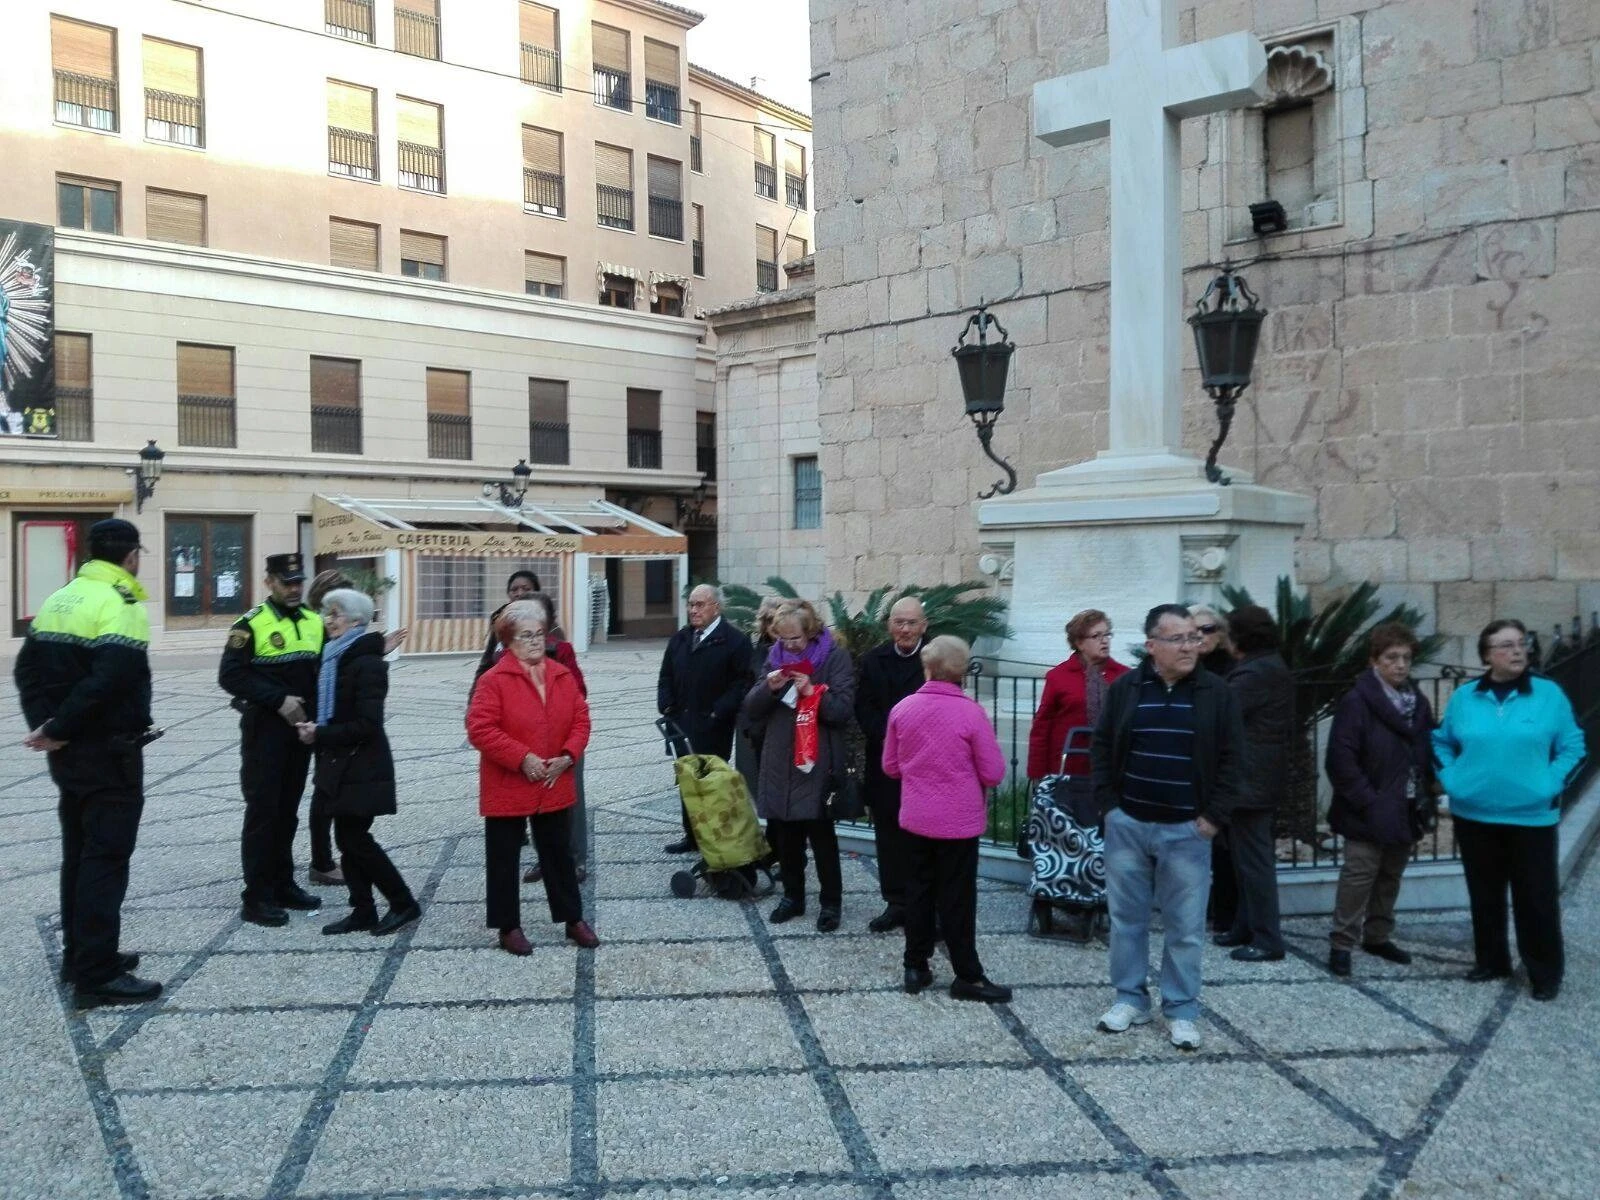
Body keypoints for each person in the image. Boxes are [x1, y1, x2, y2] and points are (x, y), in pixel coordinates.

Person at [15, 519, 164, 1007]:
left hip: (71, 754)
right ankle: (97, 976)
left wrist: (48, 726)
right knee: (105, 858)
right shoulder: (120, 602)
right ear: (131, 557)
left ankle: (81, 955)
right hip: (109, 751)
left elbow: (26, 670)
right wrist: (58, 729)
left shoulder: (62, 597)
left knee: (79, 854)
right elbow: (112, 680)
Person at [1091, 604, 1243, 1051]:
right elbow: (1101, 747)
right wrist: (1109, 808)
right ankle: (1130, 998)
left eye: (1195, 637)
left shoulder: (1216, 692)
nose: (1190, 647)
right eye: (1178, 639)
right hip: (1129, 825)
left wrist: (1214, 818)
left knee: (1186, 926)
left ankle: (1180, 1008)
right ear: (1152, 644)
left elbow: (1235, 759)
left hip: (1186, 830)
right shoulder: (1127, 689)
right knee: (1126, 920)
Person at [1434, 619, 1586, 1001]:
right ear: (1487, 655)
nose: (1518, 651)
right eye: (1506, 645)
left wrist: (1549, 784)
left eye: (1522, 643)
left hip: (1530, 819)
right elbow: (1441, 742)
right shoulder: (1465, 698)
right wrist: (1453, 780)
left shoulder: (1548, 694)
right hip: (1475, 816)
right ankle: (1491, 961)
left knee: (1535, 898)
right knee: (1484, 895)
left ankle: (1544, 973)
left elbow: (1573, 746)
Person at [883, 635, 1011, 1001]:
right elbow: (994, 772)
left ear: (927, 668)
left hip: (917, 817)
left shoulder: (903, 709)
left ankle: (915, 965)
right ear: (962, 672)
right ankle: (967, 974)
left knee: (918, 890)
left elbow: (890, 766)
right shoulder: (971, 712)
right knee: (957, 897)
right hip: (958, 821)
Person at [466, 600, 598, 954]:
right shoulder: (493, 680)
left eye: (539, 634)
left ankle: (573, 919)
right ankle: (508, 927)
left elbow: (581, 720)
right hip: (508, 783)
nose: (536, 641)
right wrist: (521, 757)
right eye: (526, 635)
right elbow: (479, 728)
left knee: (558, 854)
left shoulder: (561, 674)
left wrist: (568, 756)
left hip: (553, 779)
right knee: (504, 857)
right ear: (508, 641)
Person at [294, 589, 421, 936]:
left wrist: (319, 734)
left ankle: (402, 902)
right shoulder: (335, 658)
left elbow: (368, 724)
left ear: (356, 622)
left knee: (355, 838)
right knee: (348, 838)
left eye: (336, 614)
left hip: (362, 764)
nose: (329, 621)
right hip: (338, 762)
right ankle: (362, 909)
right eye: (328, 614)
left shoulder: (366, 663)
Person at [1325, 623, 1438, 978]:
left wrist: (1428, 788)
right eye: (1392, 657)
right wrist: (1368, 800)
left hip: (1405, 805)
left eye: (1406, 658)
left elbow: (1427, 746)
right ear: (1375, 661)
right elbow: (1340, 760)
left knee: (1391, 875)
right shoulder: (1357, 701)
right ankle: (1342, 943)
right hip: (1369, 808)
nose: (1401, 665)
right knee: (1359, 875)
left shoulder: (1417, 703)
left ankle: (1377, 935)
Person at [218, 553, 325, 928]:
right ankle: (257, 895)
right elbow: (230, 677)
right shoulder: (250, 625)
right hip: (264, 733)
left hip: (301, 733)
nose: (294, 588)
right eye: (286, 582)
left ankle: (282, 883)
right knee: (263, 813)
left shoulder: (315, 622)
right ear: (269, 583)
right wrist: (277, 700)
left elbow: (324, 671)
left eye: (298, 582)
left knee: (287, 812)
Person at [741, 599, 854, 931]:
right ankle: (793, 896)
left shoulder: (834, 657)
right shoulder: (775, 657)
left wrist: (813, 692)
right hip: (779, 758)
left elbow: (843, 710)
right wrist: (769, 687)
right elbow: (751, 706)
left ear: (811, 630)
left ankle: (830, 903)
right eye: (783, 639)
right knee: (787, 834)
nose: (789, 646)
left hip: (816, 758)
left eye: (796, 640)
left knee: (821, 835)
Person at [1214, 605, 1292, 962]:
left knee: (1255, 862)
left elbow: (1220, 714)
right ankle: (1246, 927)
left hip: (1250, 784)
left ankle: (1266, 939)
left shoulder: (1256, 673)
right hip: (1254, 781)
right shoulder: (1264, 666)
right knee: (1246, 862)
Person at [657, 584, 754, 853]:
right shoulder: (680, 639)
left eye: (700, 605)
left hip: (713, 726)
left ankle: (714, 837)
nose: (693, 610)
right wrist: (666, 706)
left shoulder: (735, 641)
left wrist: (718, 711)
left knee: (712, 782)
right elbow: (666, 676)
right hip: (681, 723)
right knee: (687, 780)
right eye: (691, 604)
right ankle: (692, 836)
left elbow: (742, 682)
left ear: (716, 607)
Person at [854, 596, 929, 933]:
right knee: (887, 834)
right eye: (899, 622)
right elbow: (863, 707)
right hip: (884, 762)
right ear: (889, 625)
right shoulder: (873, 660)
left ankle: (924, 905)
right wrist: (889, 736)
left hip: (923, 765)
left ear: (924, 626)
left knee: (922, 839)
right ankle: (895, 901)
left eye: (912, 623)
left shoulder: (935, 660)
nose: (905, 629)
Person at [518, 591, 590, 885]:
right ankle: (545, 858)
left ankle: (575, 861)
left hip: (563, 739)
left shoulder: (562, 650)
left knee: (571, 801)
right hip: (530, 740)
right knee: (538, 800)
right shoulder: (511, 651)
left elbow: (578, 695)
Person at [1027, 608, 1131, 783]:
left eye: (1107, 634)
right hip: (1068, 767)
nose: (1104, 640)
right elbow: (1042, 726)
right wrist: (1037, 773)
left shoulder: (1124, 676)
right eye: (1096, 636)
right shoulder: (1059, 676)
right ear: (1079, 643)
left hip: (1111, 767)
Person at [1191, 604, 1238, 933]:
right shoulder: (1184, 667)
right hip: (1191, 767)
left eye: (1208, 629)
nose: (1201, 636)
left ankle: (1224, 913)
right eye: (1195, 631)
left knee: (1224, 847)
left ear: (1220, 634)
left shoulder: (1231, 671)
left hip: (1219, 766)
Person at [473, 569, 542, 682]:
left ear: (536, 593)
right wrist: (474, 696)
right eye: (514, 589)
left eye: (526, 589)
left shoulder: (548, 625)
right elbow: (486, 664)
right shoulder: (500, 622)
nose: (519, 593)